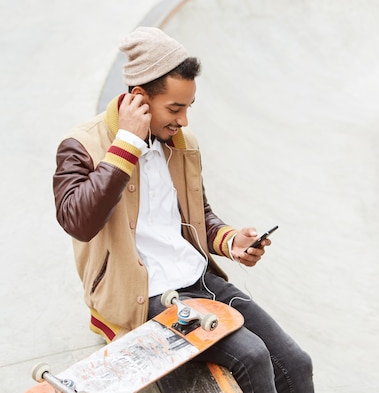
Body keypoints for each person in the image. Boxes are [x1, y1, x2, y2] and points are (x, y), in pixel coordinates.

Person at [53, 26, 314, 393]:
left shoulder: (179, 142)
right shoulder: (82, 145)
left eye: (188, 107)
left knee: (295, 364)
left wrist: (231, 241)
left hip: (199, 280)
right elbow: (77, 221)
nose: (183, 120)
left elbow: (197, 216)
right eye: (174, 108)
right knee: (252, 357)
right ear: (140, 97)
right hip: (145, 294)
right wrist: (126, 144)